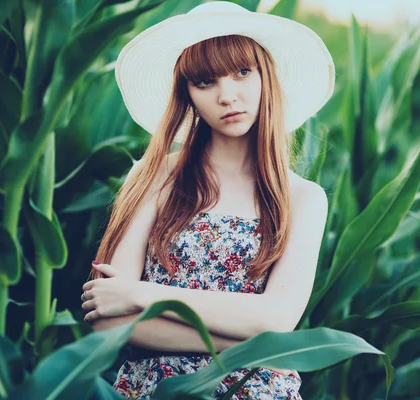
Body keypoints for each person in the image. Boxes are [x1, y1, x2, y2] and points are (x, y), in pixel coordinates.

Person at [79, 1, 335, 398]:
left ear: (267, 77)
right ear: (188, 95)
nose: (227, 96)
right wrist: (247, 347)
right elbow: (108, 319)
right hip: (158, 388)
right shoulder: (154, 177)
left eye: (242, 72)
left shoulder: (303, 198)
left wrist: (141, 293)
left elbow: (278, 319)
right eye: (205, 82)